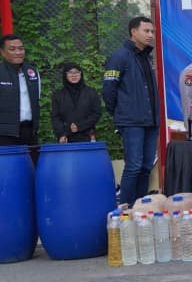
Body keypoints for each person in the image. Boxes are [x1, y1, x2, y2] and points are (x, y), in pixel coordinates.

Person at [103, 16, 159, 207]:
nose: (150, 35)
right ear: (134, 32)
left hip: (151, 121)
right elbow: (108, 90)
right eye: (146, 31)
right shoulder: (119, 56)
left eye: (152, 32)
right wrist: (121, 114)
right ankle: (126, 208)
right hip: (131, 121)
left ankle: (140, 207)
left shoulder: (147, 57)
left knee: (146, 167)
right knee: (134, 166)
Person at [0, 34, 40, 147]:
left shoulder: (32, 72)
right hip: (4, 134)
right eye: (12, 49)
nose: (18, 52)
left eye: (21, 48)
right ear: (2, 52)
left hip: (30, 132)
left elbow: (37, 100)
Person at [51, 61, 101, 143]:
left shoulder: (91, 93)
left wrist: (79, 126)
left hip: (87, 136)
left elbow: (96, 113)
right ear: (65, 75)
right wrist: (61, 134)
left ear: (81, 74)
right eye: (70, 72)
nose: (74, 75)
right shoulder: (58, 95)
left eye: (77, 72)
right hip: (66, 138)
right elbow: (56, 117)